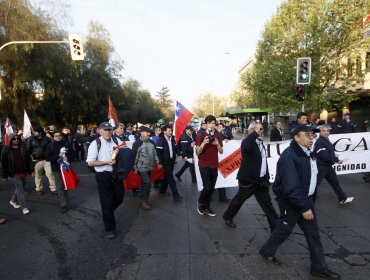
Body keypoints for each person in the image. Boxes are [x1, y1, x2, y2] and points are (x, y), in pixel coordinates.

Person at [259, 124, 340, 279]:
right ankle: (267, 250)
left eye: (312, 135)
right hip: (293, 202)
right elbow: (291, 187)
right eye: (307, 134)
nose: (311, 138)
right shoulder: (290, 156)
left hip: (304, 200)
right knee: (284, 229)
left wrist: (308, 201)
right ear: (296, 137)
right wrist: (304, 207)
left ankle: (318, 267)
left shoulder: (307, 152)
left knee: (313, 233)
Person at [222, 122, 278, 229]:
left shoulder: (259, 142)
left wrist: (266, 177)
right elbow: (245, 146)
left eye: (262, 129)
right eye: (259, 129)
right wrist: (255, 133)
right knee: (239, 199)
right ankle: (228, 216)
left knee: (267, 203)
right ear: (252, 130)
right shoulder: (248, 142)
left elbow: (263, 162)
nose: (261, 131)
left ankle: (275, 226)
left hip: (261, 180)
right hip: (248, 180)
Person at [86, 122, 124, 239]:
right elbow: (90, 162)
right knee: (107, 202)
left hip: (115, 174)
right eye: (105, 130)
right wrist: (106, 162)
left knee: (119, 197)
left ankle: (107, 213)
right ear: (100, 131)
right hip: (103, 176)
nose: (108, 132)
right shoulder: (95, 143)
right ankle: (110, 229)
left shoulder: (116, 141)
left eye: (109, 130)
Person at [313, 125, 354, 204]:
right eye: (324, 131)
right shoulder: (319, 142)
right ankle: (304, 204)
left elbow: (329, 153)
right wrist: (337, 160)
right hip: (321, 167)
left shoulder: (326, 140)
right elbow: (325, 156)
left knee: (335, 183)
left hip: (328, 166)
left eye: (328, 131)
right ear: (320, 132)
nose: (326, 132)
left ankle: (342, 198)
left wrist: (335, 158)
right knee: (314, 186)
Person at [196, 115, 223, 217]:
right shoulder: (200, 135)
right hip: (203, 164)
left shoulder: (218, 135)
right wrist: (203, 143)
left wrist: (217, 144)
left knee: (212, 188)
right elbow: (197, 153)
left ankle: (207, 206)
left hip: (214, 164)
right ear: (206, 124)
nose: (212, 125)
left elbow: (221, 151)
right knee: (207, 187)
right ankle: (200, 202)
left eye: (214, 123)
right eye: (210, 123)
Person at [1, 133, 33, 215]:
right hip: (13, 173)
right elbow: (3, 163)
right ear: (11, 139)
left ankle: (13, 200)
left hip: (23, 171)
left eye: (17, 138)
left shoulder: (23, 147)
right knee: (20, 189)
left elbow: (28, 160)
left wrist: (31, 170)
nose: (16, 140)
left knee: (22, 187)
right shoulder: (6, 149)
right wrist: (4, 175)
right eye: (14, 139)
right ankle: (24, 207)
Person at [45, 130, 75, 214]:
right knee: (60, 186)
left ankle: (66, 202)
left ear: (61, 136)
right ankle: (63, 205)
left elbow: (73, 153)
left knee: (66, 185)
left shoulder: (67, 144)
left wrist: (67, 158)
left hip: (66, 168)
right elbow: (47, 157)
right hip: (56, 169)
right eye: (56, 136)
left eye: (59, 135)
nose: (58, 137)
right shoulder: (50, 146)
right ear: (53, 137)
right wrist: (57, 156)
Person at [132, 126, 162, 210]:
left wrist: (158, 162)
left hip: (150, 167)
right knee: (148, 183)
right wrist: (134, 168)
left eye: (149, 133)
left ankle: (143, 199)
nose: (149, 134)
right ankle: (144, 201)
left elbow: (155, 154)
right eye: (147, 132)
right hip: (141, 168)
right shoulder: (137, 143)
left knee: (145, 184)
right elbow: (134, 156)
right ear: (142, 133)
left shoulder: (152, 142)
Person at [26, 125, 57, 195]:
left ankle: (53, 188)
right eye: (33, 131)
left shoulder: (47, 138)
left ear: (40, 132)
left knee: (50, 174)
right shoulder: (31, 139)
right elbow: (27, 150)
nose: (33, 132)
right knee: (37, 176)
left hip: (47, 160)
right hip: (36, 161)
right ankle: (39, 189)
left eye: (35, 131)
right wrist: (31, 158)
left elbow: (52, 147)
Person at [156, 125, 182, 202]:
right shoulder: (161, 140)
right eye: (169, 131)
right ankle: (176, 195)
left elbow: (176, 148)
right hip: (165, 162)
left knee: (166, 177)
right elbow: (159, 153)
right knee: (171, 178)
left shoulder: (172, 139)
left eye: (171, 131)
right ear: (164, 132)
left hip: (171, 161)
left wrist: (179, 154)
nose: (170, 132)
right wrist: (160, 162)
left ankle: (162, 190)